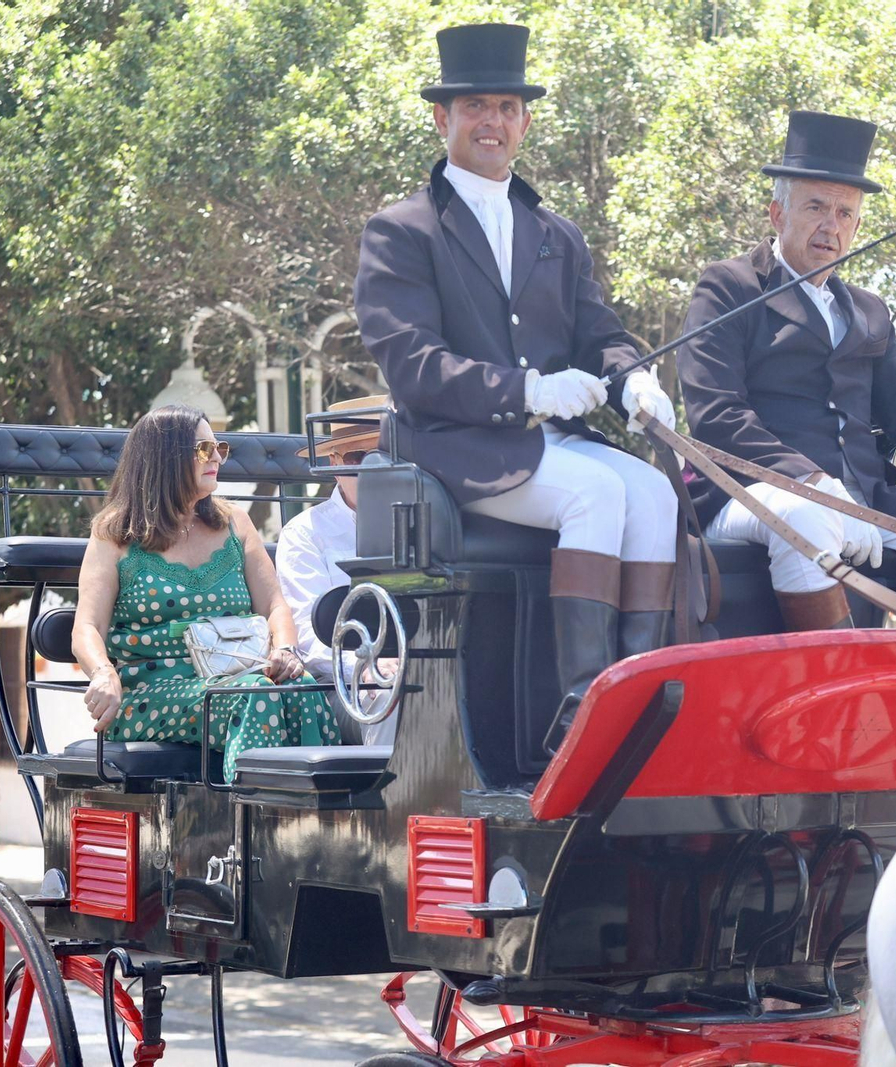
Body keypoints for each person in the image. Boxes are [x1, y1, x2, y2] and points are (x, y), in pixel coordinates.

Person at [354, 23, 679, 751]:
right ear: (444, 119)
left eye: (506, 107)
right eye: (476, 107)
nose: (492, 122)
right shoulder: (401, 230)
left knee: (654, 491)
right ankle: (583, 709)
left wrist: (635, 382)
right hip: (456, 448)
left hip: (551, 444)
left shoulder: (555, 233)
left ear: (525, 121)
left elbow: (602, 334)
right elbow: (413, 364)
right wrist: (527, 391)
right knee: (599, 493)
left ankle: (641, 694)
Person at [678, 110, 896, 632]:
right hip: (751, 494)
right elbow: (716, 414)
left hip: (864, 500)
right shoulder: (729, 287)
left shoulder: (868, 311)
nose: (831, 225)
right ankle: (840, 691)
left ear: (858, 227)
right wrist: (811, 481)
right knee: (806, 515)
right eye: (816, 207)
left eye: (845, 213)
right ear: (777, 214)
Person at [72, 404, 340, 782]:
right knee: (256, 695)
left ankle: (316, 818)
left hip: (241, 675)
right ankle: (250, 820)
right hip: (153, 691)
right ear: (165, 459)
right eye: (203, 449)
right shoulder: (114, 535)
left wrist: (286, 650)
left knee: (303, 685)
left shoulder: (235, 523)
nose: (216, 457)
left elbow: (275, 604)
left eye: (220, 448)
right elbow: (87, 625)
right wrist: (102, 673)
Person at [277, 395, 398, 748]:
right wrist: (366, 667)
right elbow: (307, 641)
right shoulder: (304, 534)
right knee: (389, 695)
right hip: (343, 690)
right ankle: (388, 800)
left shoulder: (432, 523)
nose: (371, 469)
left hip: (425, 671)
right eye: (357, 458)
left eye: (383, 456)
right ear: (333, 462)